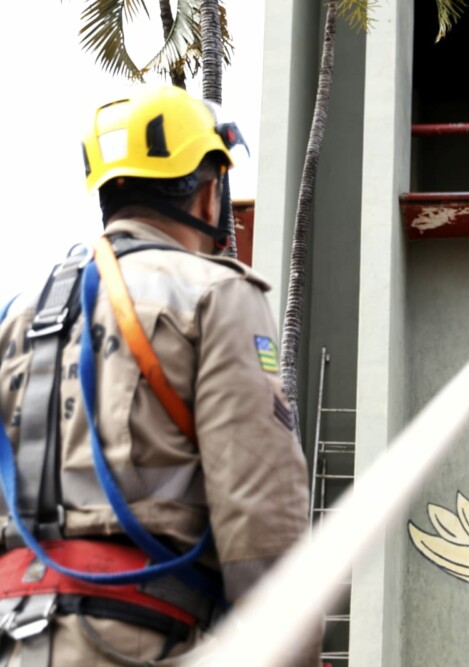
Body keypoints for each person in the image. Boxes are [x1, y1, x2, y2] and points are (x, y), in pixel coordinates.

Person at [0, 85, 318, 665]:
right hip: (138, 641)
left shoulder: (20, 313)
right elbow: (261, 514)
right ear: (210, 193)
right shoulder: (216, 294)